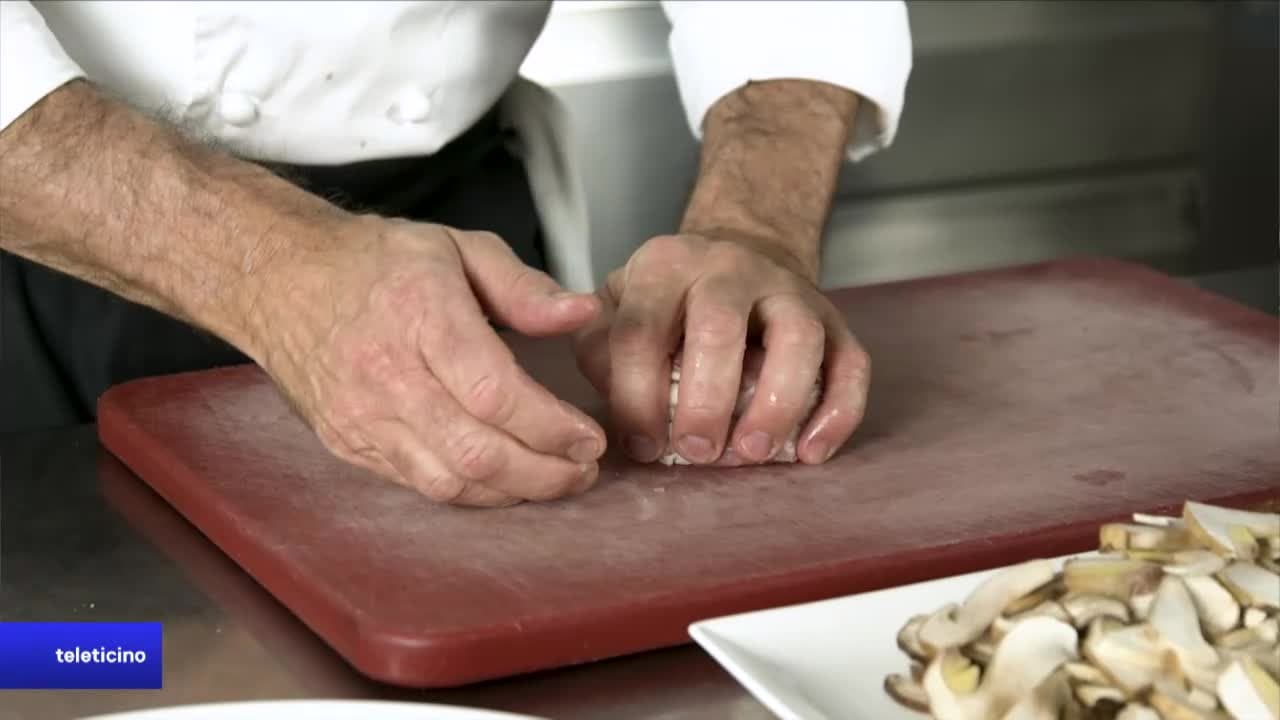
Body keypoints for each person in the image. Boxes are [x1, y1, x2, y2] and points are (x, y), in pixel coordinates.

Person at [0, 1, 912, 506]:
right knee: (83, 662)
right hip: (50, 219)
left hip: (462, 238)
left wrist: (754, 227)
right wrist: (265, 266)